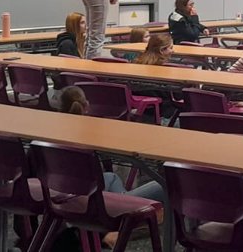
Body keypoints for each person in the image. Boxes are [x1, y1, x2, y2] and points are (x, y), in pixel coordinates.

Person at [58, 86, 164, 248]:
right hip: (89, 203)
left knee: (111, 177)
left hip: (62, 199)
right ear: (86, 106)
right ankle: (123, 225)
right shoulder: (91, 132)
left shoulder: (51, 133)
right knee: (165, 185)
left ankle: (123, 209)